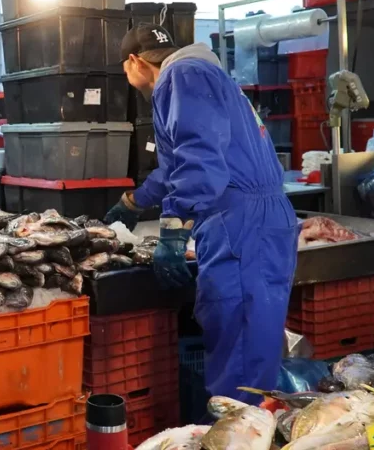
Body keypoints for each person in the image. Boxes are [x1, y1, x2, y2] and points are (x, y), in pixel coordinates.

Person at [103, 25, 297, 405]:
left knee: (239, 351)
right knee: (249, 343)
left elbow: (200, 165)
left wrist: (173, 229)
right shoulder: (201, 75)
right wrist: (135, 201)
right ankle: (248, 427)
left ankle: (237, 437)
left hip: (240, 224)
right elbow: (179, 163)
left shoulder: (181, 75)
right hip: (256, 218)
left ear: (134, 62)